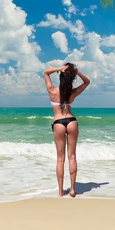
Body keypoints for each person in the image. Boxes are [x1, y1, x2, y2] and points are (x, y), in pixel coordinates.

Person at [43, 63, 91, 197]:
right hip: (71, 121)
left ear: (61, 77)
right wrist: (78, 72)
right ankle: (72, 190)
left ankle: (60, 192)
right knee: (72, 156)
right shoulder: (72, 93)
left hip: (58, 122)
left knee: (60, 159)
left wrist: (58, 69)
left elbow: (46, 72)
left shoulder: (52, 91)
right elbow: (87, 82)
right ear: (71, 78)